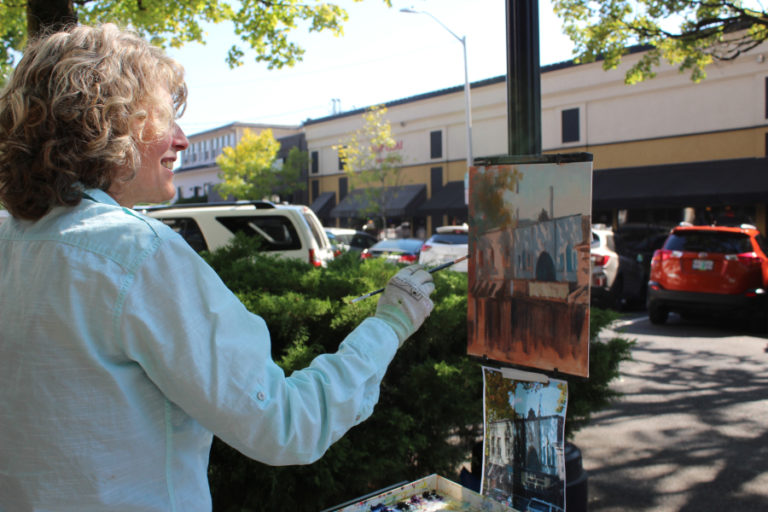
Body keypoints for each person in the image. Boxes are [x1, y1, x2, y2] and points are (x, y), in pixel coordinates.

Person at [0, 24, 435, 510]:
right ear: (106, 127)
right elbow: (285, 424)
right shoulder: (134, 254)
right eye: (164, 119)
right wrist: (389, 326)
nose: (182, 140)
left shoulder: (10, 238)